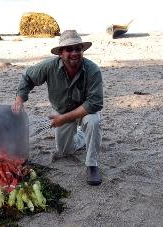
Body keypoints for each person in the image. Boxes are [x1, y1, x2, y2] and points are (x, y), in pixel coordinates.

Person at [12, 30, 103, 186]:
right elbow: (27, 77)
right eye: (69, 49)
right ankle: (82, 135)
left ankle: (92, 165)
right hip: (62, 111)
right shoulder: (49, 66)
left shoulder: (93, 70)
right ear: (61, 52)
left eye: (78, 49)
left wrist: (63, 119)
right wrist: (20, 99)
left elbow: (94, 103)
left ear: (82, 50)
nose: (74, 53)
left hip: (85, 111)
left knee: (93, 121)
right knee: (64, 151)